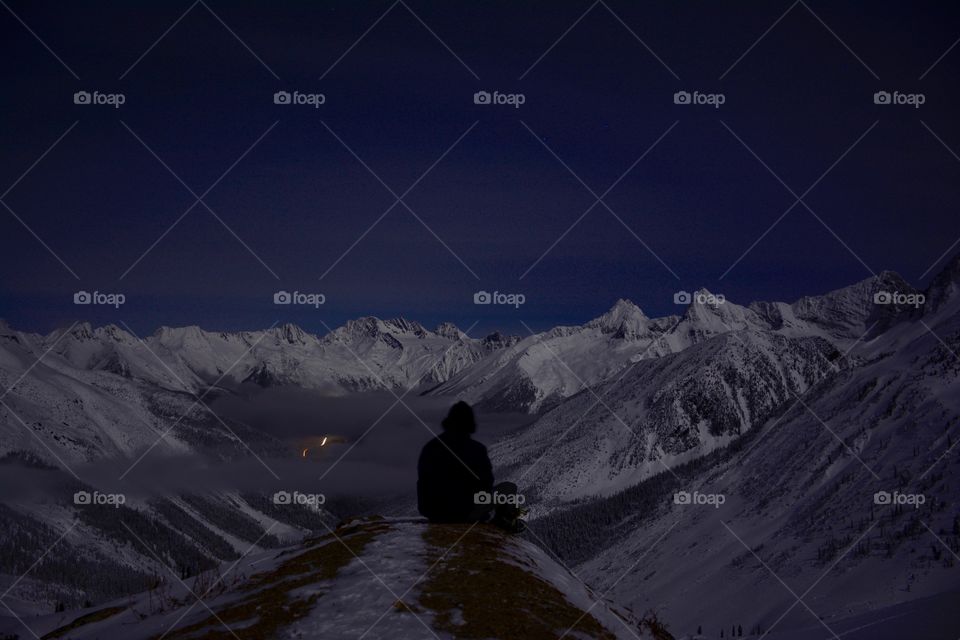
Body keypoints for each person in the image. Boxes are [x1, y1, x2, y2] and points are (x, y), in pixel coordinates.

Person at [417, 401, 525, 532]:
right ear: (469, 425)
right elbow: (486, 485)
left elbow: (422, 483)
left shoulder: (430, 448)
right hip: (466, 514)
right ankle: (506, 523)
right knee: (509, 488)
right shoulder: (477, 450)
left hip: (434, 513)